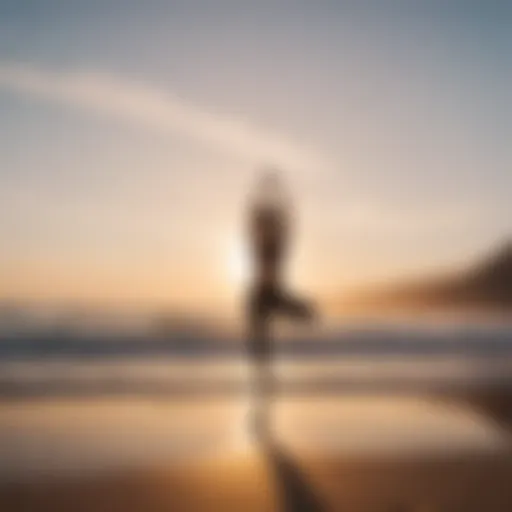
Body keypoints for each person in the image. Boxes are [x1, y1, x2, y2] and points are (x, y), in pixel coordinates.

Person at [247, 169, 314, 442]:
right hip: (264, 294)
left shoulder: (270, 240)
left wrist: (273, 196)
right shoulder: (269, 240)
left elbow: (278, 223)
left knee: (264, 346)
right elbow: (278, 222)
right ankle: (263, 397)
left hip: (266, 293)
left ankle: (263, 397)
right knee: (263, 347)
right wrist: (276, 196)